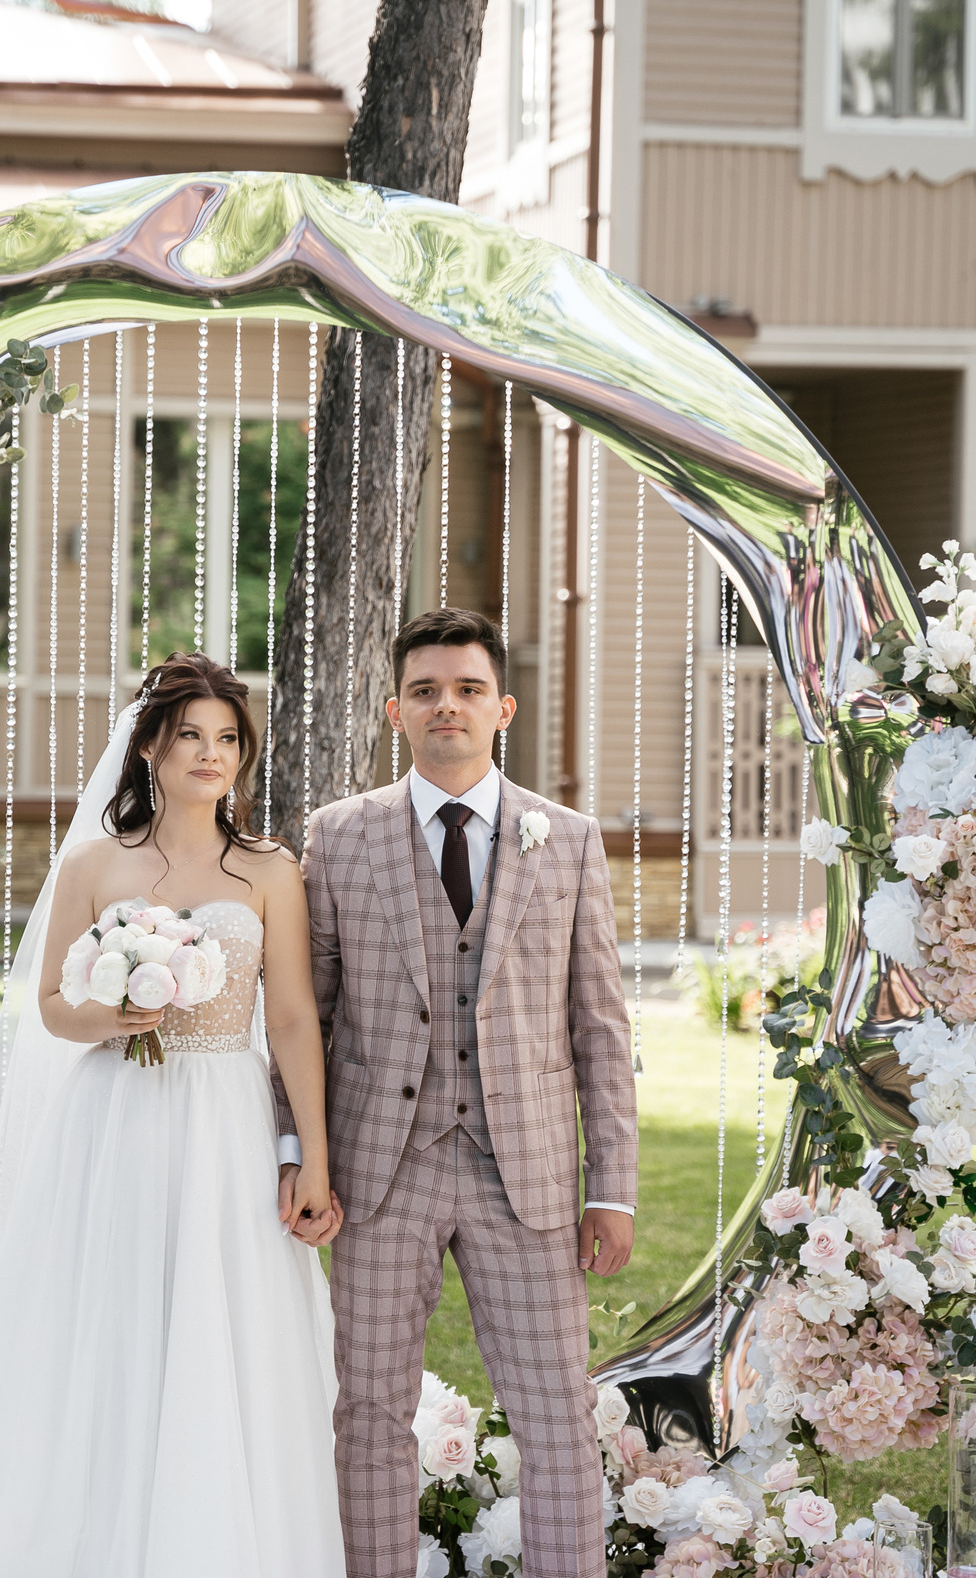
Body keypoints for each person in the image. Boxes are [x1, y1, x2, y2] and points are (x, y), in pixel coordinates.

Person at [0, 652, 344, 1576]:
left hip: (224, 1118)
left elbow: (290, 1016)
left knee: (222, 1318)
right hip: (116, 1113)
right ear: (150, 749)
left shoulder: (269, 871)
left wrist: (314, 1159)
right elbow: (50, 1003)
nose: (210, 756)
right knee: (111, 1313)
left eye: (227, 740)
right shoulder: (96, 863)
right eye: (190, 737)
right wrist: (114, 1014)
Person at [280, 606, 639, 1578]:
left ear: (502, 708)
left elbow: (600, 1025)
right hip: (374, 1172)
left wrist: (611, 1186)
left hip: (520, 1170)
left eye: (469, 689)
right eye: (428, 691)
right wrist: (294, 1152)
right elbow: (303, 1016)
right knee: (368, 1413)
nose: (449, 706)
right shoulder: (338, 836)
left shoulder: (563, 840)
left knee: (556, 1407)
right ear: (396, 710)